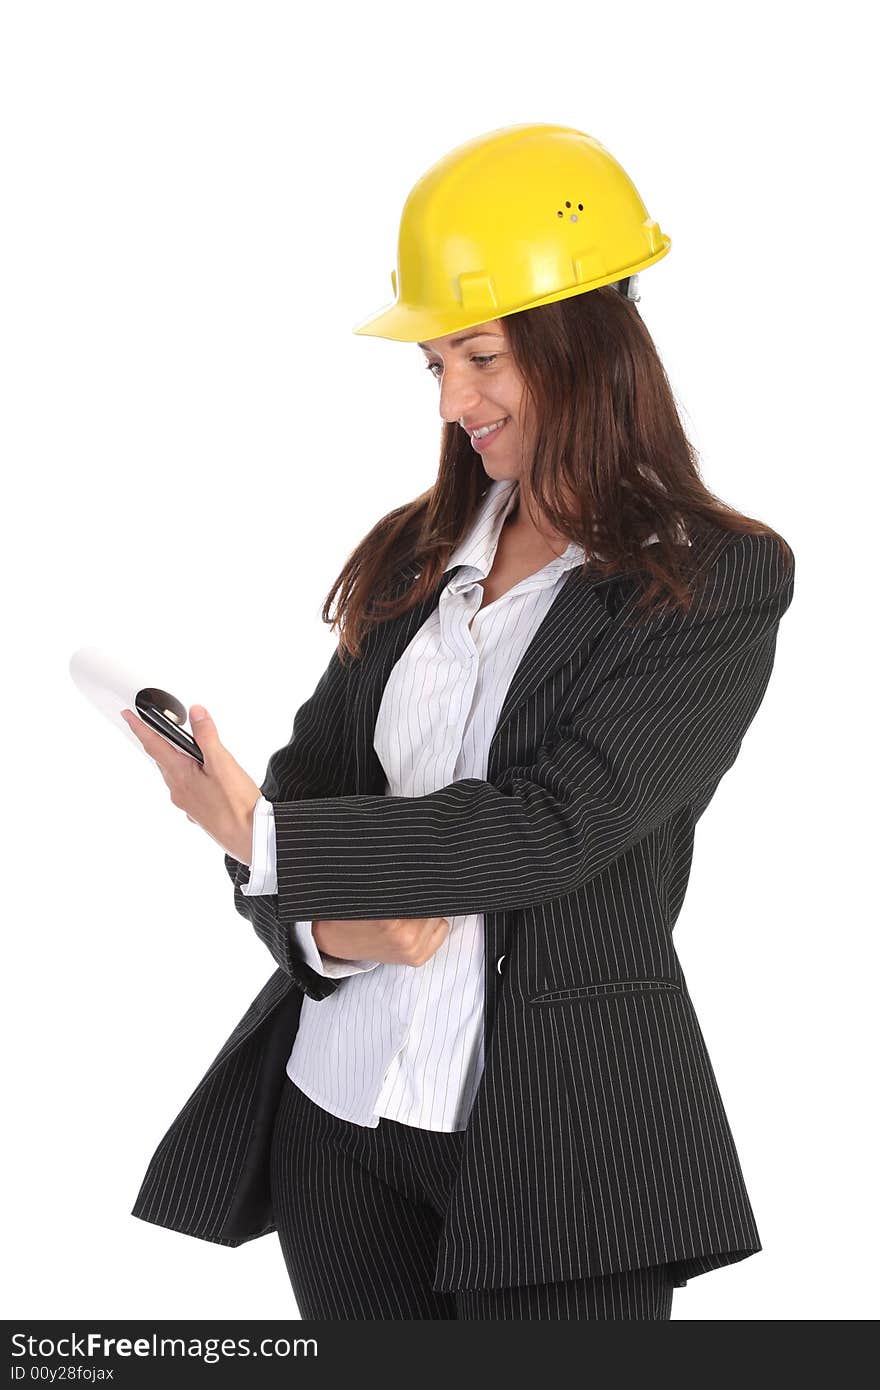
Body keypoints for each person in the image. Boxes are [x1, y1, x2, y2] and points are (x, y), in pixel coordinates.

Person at [126, 123, 796, 1321]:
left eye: (480, 357)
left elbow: (553, 827)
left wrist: (266, 840)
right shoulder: (416, 550)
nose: (454, 401)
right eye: (433, 365)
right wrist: (326, 933)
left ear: (585, 344)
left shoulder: (713, 578)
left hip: (560, 1145)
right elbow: (309, 788)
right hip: (338, 1120)